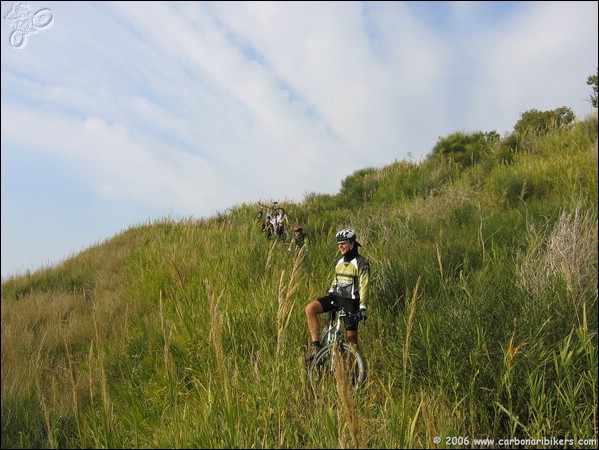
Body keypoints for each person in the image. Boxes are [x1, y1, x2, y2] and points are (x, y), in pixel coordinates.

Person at [305, 228, 370, 361]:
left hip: (351, 302)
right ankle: (316, 347)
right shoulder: (339, 261)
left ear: (352, 243)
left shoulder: (362, 262)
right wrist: (329, 294)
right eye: (339, 244)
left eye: (343, 243)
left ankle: (354, 375)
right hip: (335, 297)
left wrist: (363, 308)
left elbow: (364, 286)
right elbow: (335, 281)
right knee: (310, 309)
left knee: (352, 341)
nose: (340, 246)